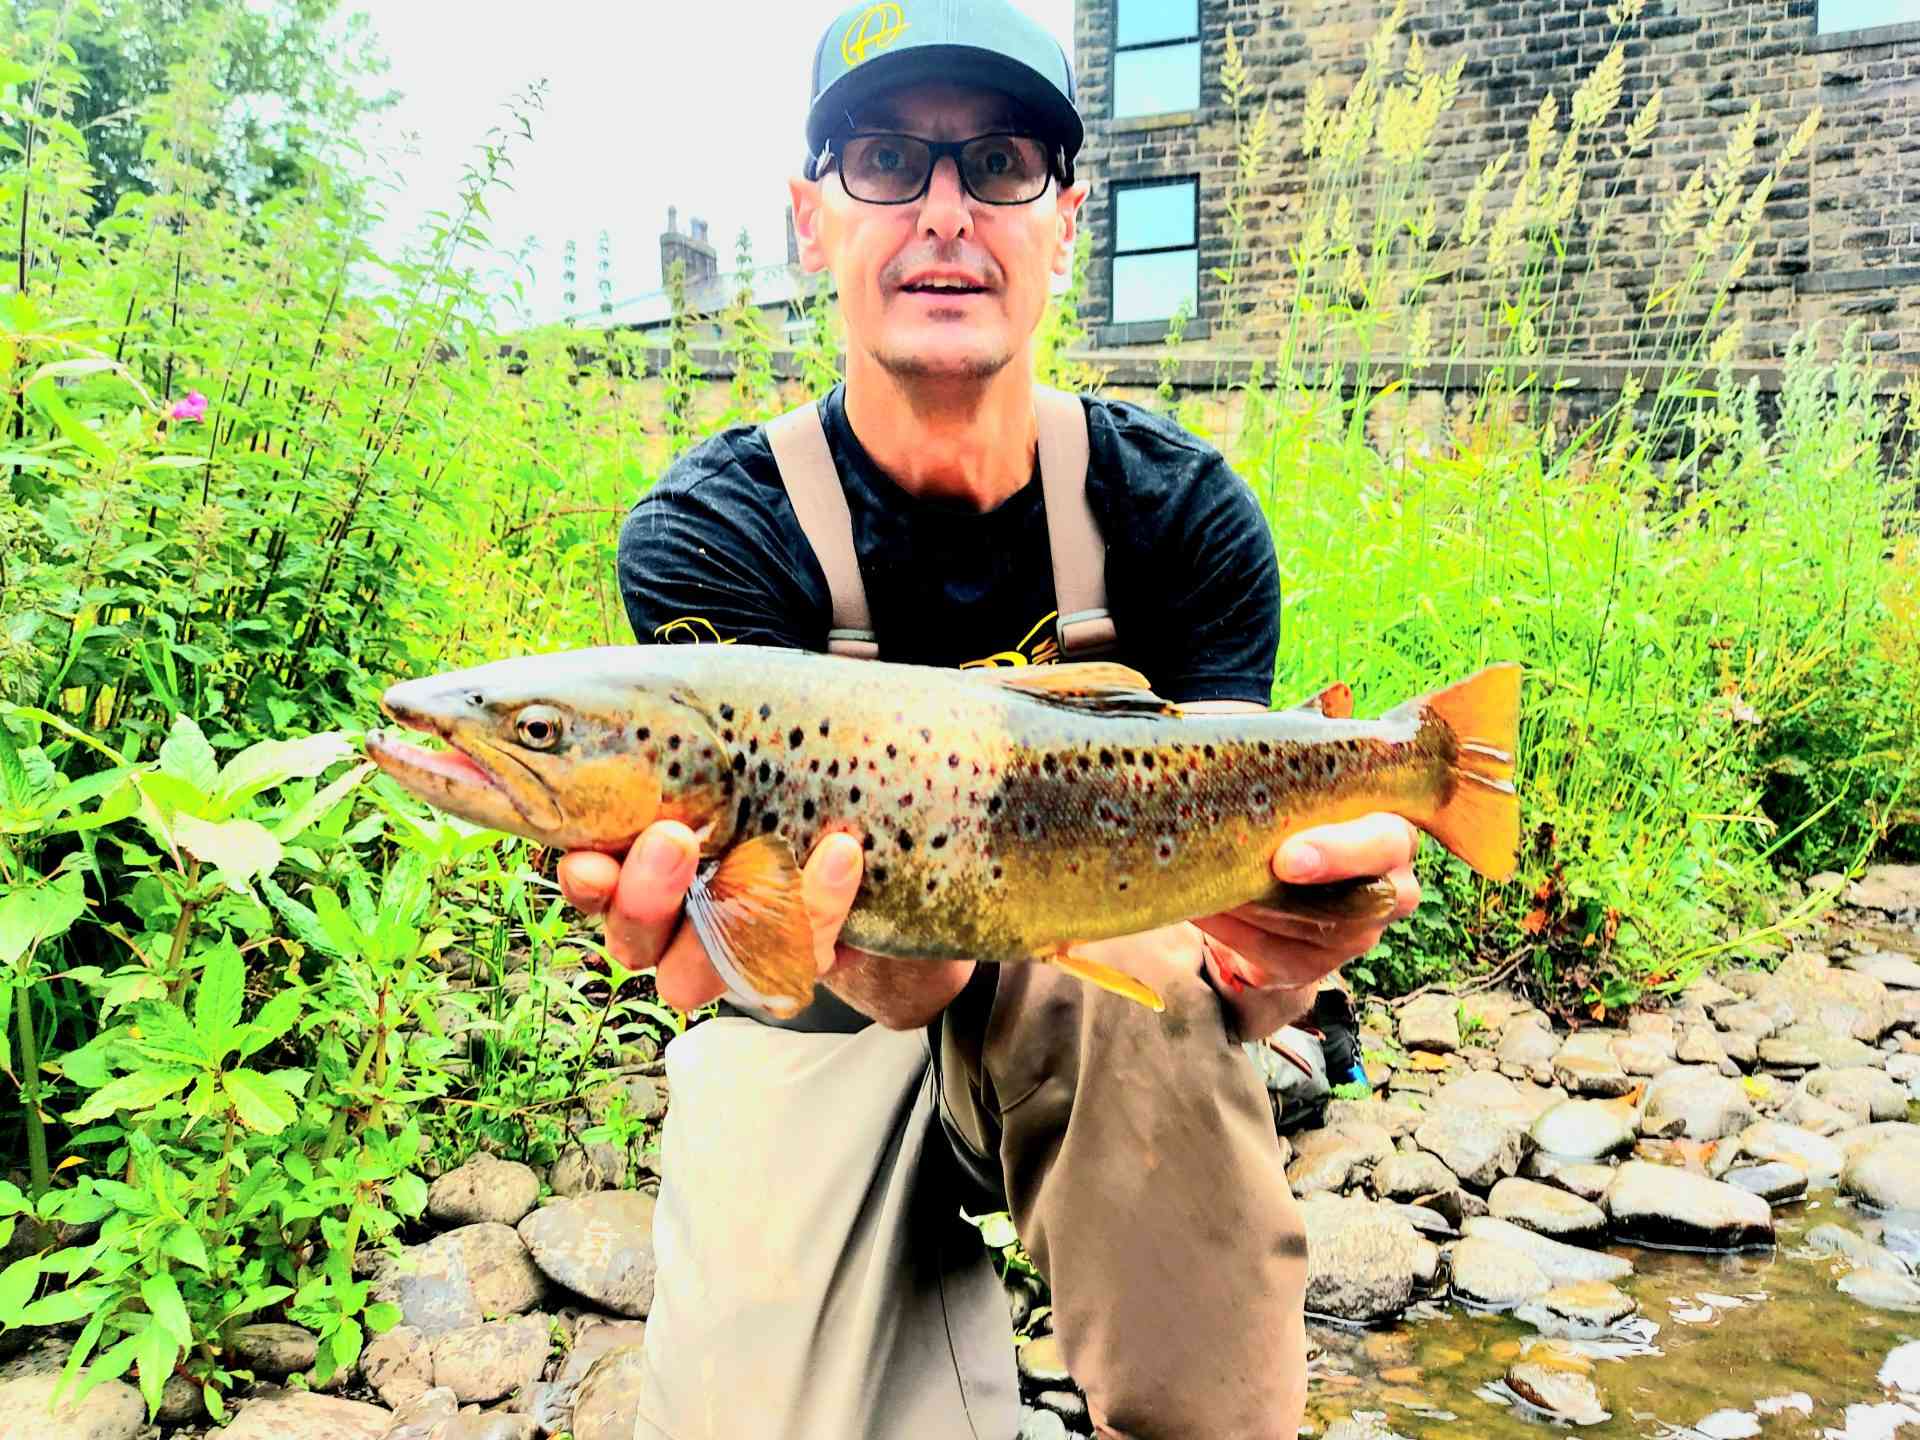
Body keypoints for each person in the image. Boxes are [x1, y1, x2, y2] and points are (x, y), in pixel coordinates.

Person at [556, 4, 1420, 1435]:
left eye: (1002, 163)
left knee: (1155, 1019)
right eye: (887, 159)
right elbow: (808, 956)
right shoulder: (710, 534)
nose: (945, 211)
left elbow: (1232, 954)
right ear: (809, 220)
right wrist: (893, 951)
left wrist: (1289, 946)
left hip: (1109, 1003)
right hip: (816, 1008)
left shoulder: (1182, 516)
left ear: (1066, 221)